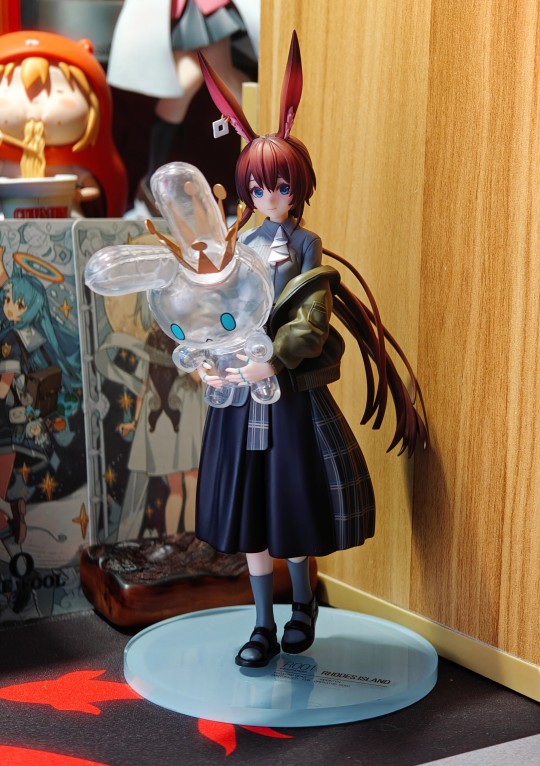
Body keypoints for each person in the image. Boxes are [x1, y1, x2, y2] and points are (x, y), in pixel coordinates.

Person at [196, 32, 427, 667]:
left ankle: (302, 607)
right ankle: (261, 624)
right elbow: (219, 311)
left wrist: (274, 357)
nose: (270, 198)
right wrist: (214, 355)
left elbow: (313, 320)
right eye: (259, 188)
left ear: (297, 187)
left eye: (280, 186)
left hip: (289, 396)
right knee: (250, 517)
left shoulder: (305, 247)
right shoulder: (239, 244)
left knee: (290, 510)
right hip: (241, 399)